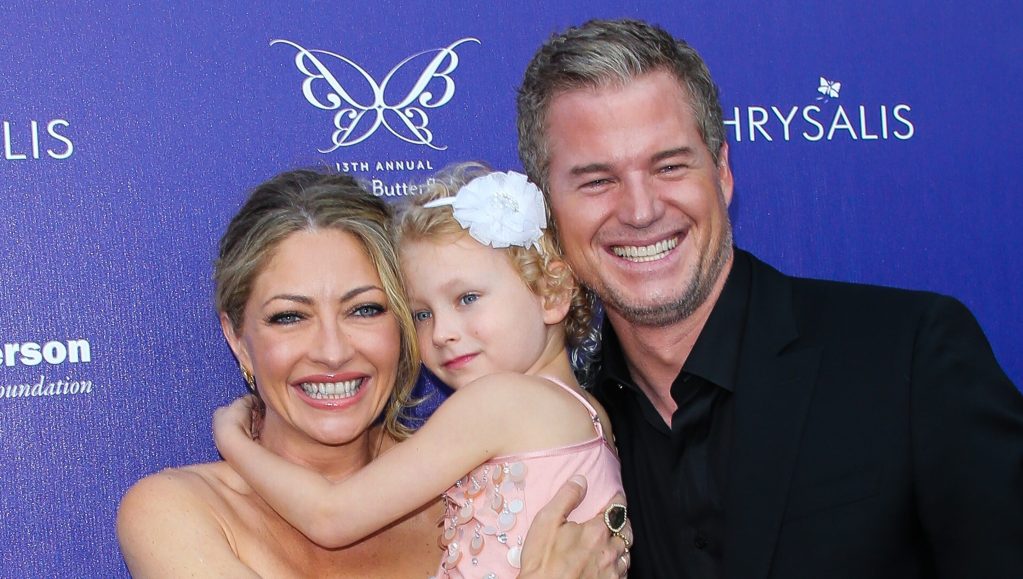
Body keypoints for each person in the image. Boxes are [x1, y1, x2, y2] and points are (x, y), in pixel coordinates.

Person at [516, 18, 1023, 579]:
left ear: (723, 172)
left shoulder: (910, 355)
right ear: (547, 211)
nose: (640, 211)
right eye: (597, 181)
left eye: (669, 166)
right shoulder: (553, 439)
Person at [116, 169, 626, 578]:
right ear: (236, 340)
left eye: (365, 309)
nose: (332, 352)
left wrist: (232, 439)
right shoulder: (176, 512)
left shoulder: (462, 485)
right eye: (289, 316)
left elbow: (330, 515)